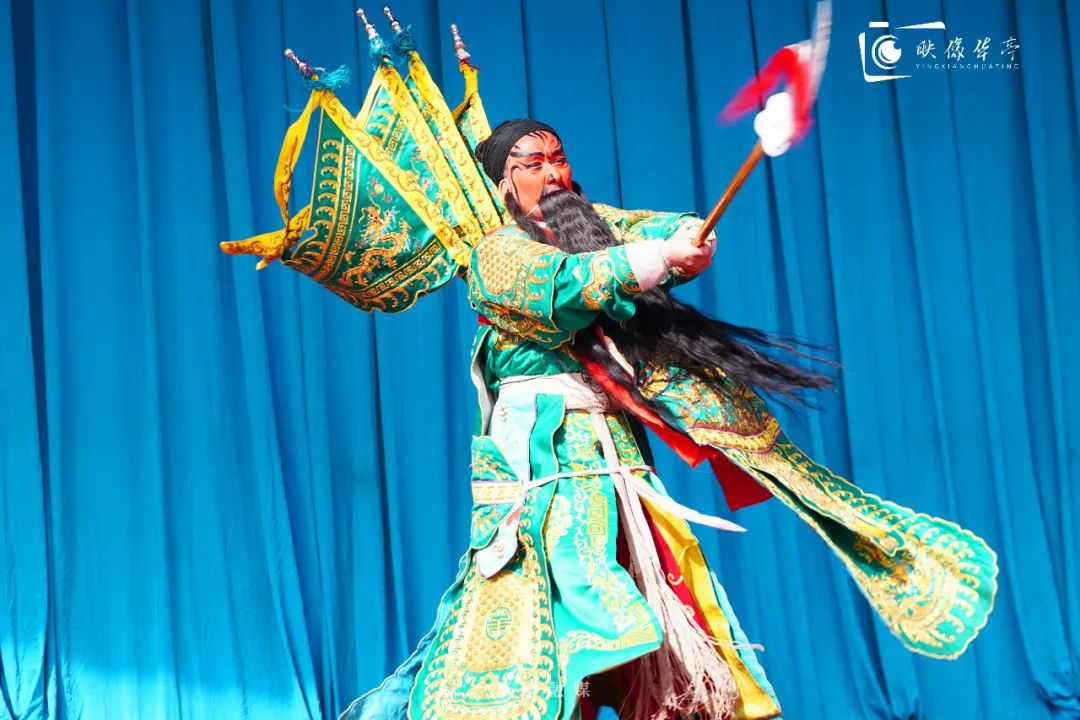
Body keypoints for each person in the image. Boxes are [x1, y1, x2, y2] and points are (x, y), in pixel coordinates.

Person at [340, 118, 811, 720]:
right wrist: (659, 258)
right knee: (545, 612)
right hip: (543, 464)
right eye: (532, 164)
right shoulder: (498, 254)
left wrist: (688, 239)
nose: (553, 174)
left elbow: (647, 228)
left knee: (663, 595)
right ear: (503, 184)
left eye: (558, 158)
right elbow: (569, 286)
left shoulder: (586, 227)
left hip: (615, 456)